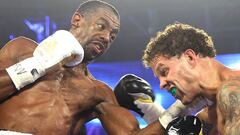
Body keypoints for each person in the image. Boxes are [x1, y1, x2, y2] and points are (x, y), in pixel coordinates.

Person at [0, 0, 133, 134]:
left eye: (112, 36)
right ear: (77, 20)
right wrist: (39, 64)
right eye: (101, 26)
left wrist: (152, 113)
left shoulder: (99, 91)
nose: (106, 37)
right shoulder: (22, 48)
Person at [140, 22, 240, 134]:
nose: (162, 84)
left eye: (164, 71)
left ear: (189, 57)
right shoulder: (208, 116)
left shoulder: (234, 90)